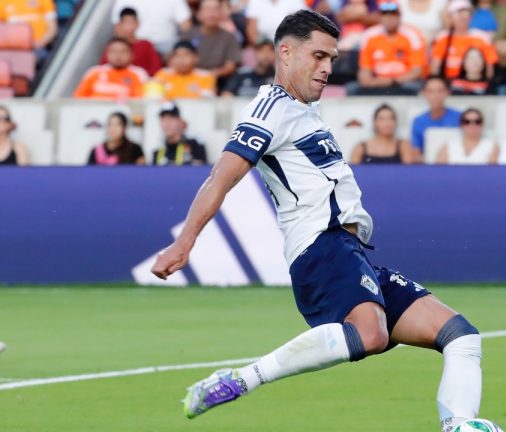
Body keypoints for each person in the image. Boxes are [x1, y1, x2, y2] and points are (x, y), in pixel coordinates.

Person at [151, 12, 483, 432]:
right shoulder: (269, 109)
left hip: (350, 252)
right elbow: (221, 176)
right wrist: (185, 242)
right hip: (319, 246)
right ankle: (240, 380)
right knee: (371, 334)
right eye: (319, 56)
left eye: (332, 59)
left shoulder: (303, 110)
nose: (327, 68)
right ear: (286, 53)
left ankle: (460, 425)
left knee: (461, 336)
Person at [353, 2, 428, 95]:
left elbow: (417, 71)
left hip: (404, 82)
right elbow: (364, 71)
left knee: (415, 87)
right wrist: (371, 81)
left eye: (393, 15)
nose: (389, 18)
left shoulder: (412, 35)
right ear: (380, 17)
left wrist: (393, 81)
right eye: (385, 15)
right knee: (353, 88)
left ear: (399, 17)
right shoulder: (369, 36)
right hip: (378, 81)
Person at [431, 0, 498, 80]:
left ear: (471, 17)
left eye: (466, 13)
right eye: (458, 14)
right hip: (448, 81)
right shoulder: (442, 37)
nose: (462, 17)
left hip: (474, 82)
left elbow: (490, 67)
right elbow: (435, 66)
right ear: (450, 17)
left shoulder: (482, 37)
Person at [180, 0, 242, 84]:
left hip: (218, 82)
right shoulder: (188, 35)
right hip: (188, 79)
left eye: (215, 9)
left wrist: (208, 75)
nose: (211, 14)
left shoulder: (230, 37)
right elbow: (179, 60)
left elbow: (230, 66)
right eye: (207, 9)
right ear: (198, 14)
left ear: (221, 13)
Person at [74, 37, 147, 100]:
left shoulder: (139, 74)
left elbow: (140, 101)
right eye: (114, 51)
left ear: (131, 55)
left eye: (123, 51)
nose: (118, 55)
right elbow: (78, 98)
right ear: (107, 54)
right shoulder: (94, 72)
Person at [111, 0, 192, 55]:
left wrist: (180, 47)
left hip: (166, 44)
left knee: (180, 54)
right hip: (136, 43)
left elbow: (186, 26)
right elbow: (117, 27)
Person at [99, 7, 162, 76]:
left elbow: (156, 69)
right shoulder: (114, 45)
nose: (130, 27)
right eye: (126, 23)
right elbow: (103, 67)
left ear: (137, 23)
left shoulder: (146, 45)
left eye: (132, 22)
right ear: (119, 24)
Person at [411, 76, 463, 155]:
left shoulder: (460, 117)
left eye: (440, 90)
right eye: (431, 91)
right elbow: (416, 151)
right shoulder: (418, 121)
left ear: (447, 92)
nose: (436, 95)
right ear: (424, 93)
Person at [350, 104, 416, 164]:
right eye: (382, 119)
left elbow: (409, 171)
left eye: (391, 118)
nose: (387, 123)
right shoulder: (360, 148)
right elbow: (353, 171)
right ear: (374, 122)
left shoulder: (404, 146)